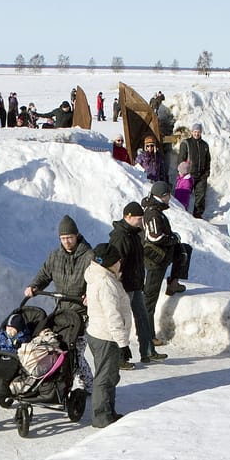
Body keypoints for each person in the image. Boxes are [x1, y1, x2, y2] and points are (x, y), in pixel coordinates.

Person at [25, 215, 95, 394]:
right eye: (63, 239)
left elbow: (97, 279)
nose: (67, 242)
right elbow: (44, 274)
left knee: (75, 353)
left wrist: (91, 294)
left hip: (82, 312)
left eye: (69, 238)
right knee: (58, 348)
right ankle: (57, 382)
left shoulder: (89, 256)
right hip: (62, 311)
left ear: (77, 235)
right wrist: (34, 286)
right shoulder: (55, 256)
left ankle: (91, 385)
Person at [83, 243, 133, 428]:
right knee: (104, 377)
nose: (120, 263)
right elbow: (112, 314)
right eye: (118, 261)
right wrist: (123, 343)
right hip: (106, 336)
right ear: (110, 263)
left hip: (99, 333)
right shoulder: (105, 282)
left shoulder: (98, 275)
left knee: (109, 375)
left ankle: (109, 412)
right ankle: (101, 417)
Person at [109, 201, 163, 366]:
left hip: (136, 284)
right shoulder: (120, 236)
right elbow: (116, 264)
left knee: (143, 317)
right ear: (128, 217)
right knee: (123, 322)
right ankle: (120, 358)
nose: (141, 221)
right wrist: (118, 284)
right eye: (138, 218)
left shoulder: (134, 234)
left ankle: (148, 351)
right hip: (124, 286)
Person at [141, 181, 191, 318]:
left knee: (184, 250)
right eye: (168, 195)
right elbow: (155, 237)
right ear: (163, 196)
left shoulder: (155, 209)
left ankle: (173, 283)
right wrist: (172, 239)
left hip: (161, 254)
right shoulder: (153, 213)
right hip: (156, 258)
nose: (170, 198)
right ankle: (146, 333)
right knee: (150, 297)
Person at [176, 122, 212, 218]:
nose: (196, 134)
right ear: (192, 132)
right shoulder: (186, 143)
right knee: (184, 196)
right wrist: (182, 173)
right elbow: (181, 159)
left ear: (201, 132)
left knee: (200, 197)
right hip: (189, 175)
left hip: (201, 176)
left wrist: (207, 172)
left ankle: (198, 215)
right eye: (195, 131)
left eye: (198, 132)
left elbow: (208, 160)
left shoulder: (204, 145)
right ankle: (182, 215)